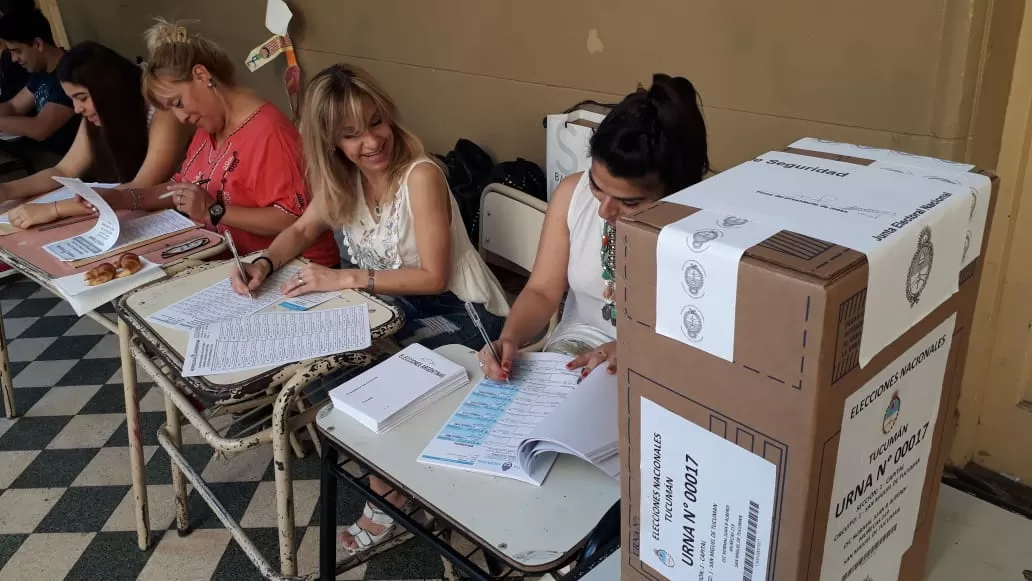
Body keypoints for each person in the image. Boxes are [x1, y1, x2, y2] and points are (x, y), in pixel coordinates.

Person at [228, 63, 509, 552]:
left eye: (376, 123)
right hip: (393, 306)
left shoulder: (420, 175)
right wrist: (264, 261)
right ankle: (392, 484)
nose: (371, 142)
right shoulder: (345, 180)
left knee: (368, 374)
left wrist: (345, 278)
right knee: (326, 369)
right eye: (351, 134)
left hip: (462, 312)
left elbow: (435, 277)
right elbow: (299, 229)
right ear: (331, 142)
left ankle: (389, 496)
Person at [32, 19, 340, 266]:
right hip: (231, 261)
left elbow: (295, 221)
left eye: (178, 102)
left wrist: (214, 211)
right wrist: (123, 199)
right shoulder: (210, 126)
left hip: (293, 269)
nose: (179, 117)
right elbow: (182, 190)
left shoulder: (267, 131)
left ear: (202, 75)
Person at [479, 74, 710, 381]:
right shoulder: (571, 196)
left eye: (629, 203)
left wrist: (630, 349)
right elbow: (541, 291)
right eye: (596, 185)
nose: (604, 210)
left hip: (655, 371)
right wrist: (509, 339)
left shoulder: (702, 236)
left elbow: (700, 342)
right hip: (569, 356)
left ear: (675, 194)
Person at [2, 41, 190, 228]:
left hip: (175, 220)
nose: (77, 109)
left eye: (82, 98)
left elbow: (141, 187)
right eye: (73, 99)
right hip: (133, 216)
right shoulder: (99, 114)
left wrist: (55, 209)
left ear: (109, 87)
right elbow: (63, 170)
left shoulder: (163, 113)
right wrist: (7, 190)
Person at [0, 7, 78, 155]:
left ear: (37, 44)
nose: (14, 59)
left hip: (73, 165)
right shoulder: (41, 72)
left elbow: (40, 128)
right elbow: (14, 106)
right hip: (52, 158)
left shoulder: (70, 74)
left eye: (17, 51)